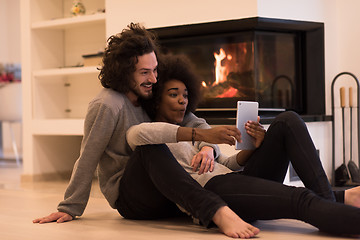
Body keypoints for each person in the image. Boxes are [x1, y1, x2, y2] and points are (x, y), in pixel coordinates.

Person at [32, 23, 260, 239]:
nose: (153, 79)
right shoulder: (107, 105)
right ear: (123, 72)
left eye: (155, 70)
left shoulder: (150, 95)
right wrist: (69, 207)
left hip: (163, 185)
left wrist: (209, 148)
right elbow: (88, 157)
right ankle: (215, 212)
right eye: (144, 73)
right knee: (149, 146)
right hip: (131, 195)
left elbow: (197, 124)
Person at [127, 54, 360, 237]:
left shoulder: (195, 130)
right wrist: (205, 137)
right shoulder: (151, 137)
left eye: (186, 95)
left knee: (288, 121)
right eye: (173, 94)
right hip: (216, 191)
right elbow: (136, 135)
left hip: (234, 181)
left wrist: (253, 147)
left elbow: (228, 164)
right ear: (157, 99)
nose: (182, 100)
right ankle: (335, 208)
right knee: (299, 200)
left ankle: (329, 206)